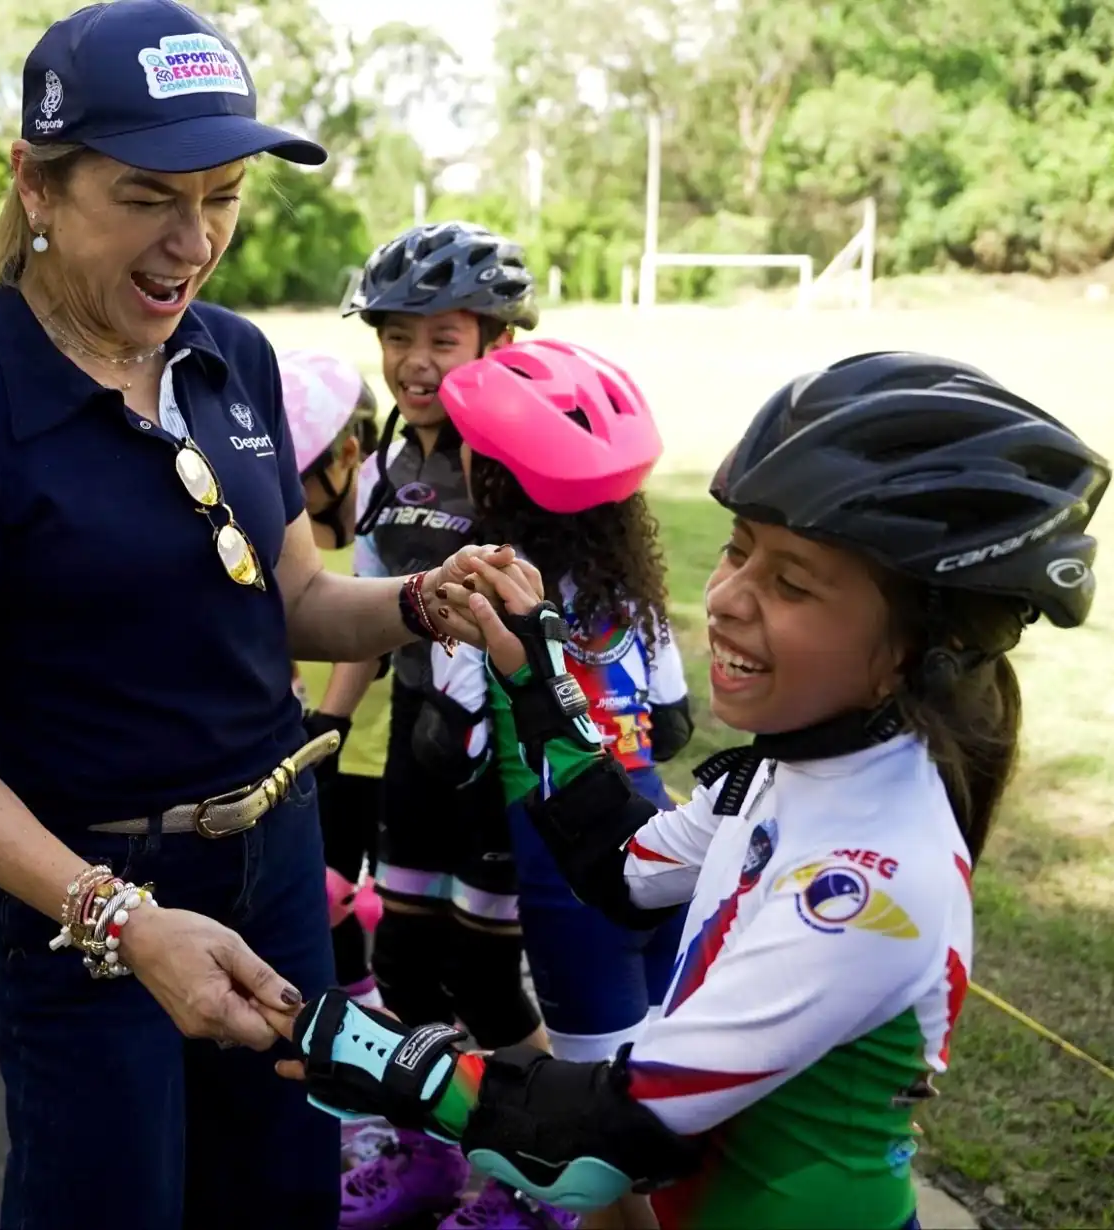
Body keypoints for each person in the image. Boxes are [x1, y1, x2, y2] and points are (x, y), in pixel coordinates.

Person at [0, 4, 533, 1227]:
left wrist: (422, 600)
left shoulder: (233, 355)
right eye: (148, 197)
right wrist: (119, 920)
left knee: (279, 1197)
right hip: (90, 897)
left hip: (277, 865)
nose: (195, 240)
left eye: (221, 197)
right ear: (37, 185)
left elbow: (295, 601)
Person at [280, 351, 1114, 1230]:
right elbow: (621, 864)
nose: (724, 599)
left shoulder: (873, 880)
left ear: (921, 649)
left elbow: (609, 1131)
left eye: (790, 583)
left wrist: (396, 1062)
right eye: (738, 550)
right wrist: (536, 675)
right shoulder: (787, 771)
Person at [435, 337, 697, 1230]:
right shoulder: (634, 589)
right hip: (661, 841)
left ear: (492, 478)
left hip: (564, 865)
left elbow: (454, 738)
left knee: (603, 1143)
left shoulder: (484, 591)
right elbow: (673, 723)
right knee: (668, 1109)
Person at [337, 219, 554, 1229]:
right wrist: (323, 730)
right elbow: (363, 618)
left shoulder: (515, 469)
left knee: (486, 979)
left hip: (497, 759)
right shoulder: (385, 466)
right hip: (416, 746)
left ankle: (539, 1178)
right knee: (402, 964)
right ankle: (426, 1157)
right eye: (397, 338)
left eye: (441, 339)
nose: (414, 362)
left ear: (495, 343)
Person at [277, 348, 392, 1011]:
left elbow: (367, 641)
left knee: (401, 937)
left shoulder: (381, 535)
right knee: (329, 918)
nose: (283, 499)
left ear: (349, 455)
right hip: (319, 757)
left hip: (380, 759)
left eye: (296, 480)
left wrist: (330, 720)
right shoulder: (284, 543)